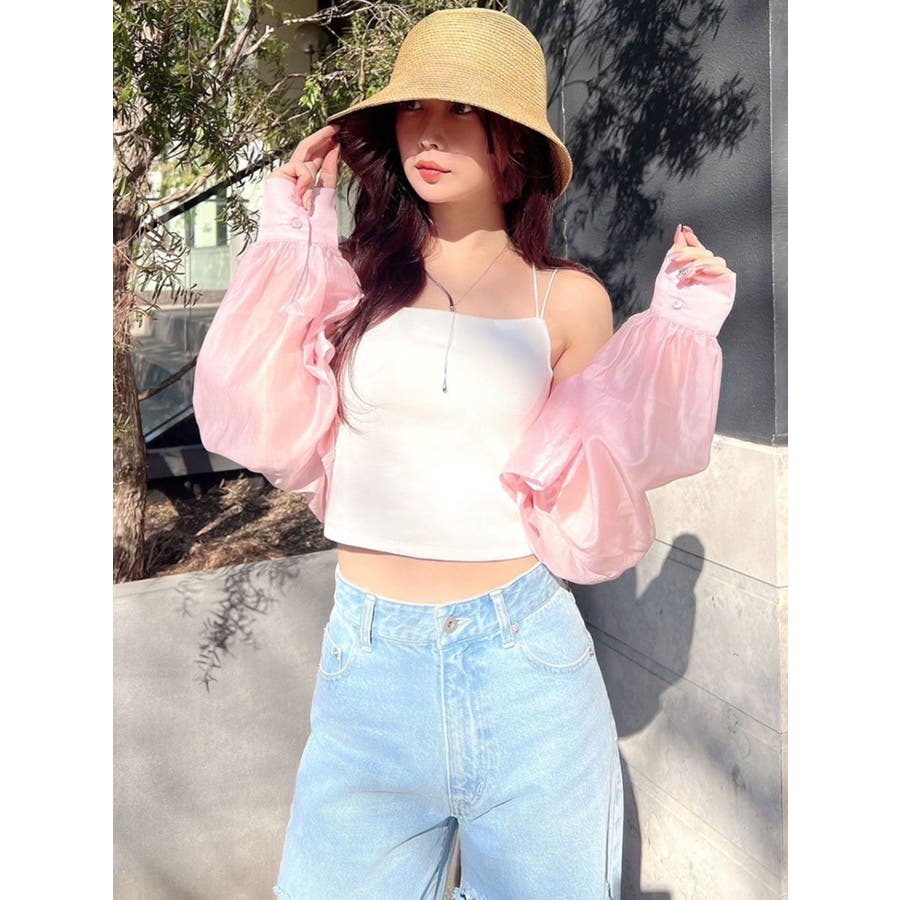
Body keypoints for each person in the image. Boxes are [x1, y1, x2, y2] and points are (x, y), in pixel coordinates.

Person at [192, 8, 736, 900]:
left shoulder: (568, 299)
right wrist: (290, 233)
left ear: (512, 141)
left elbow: (601, 474)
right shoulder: (353, 278)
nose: (429, 133)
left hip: (525, 668)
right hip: (368, 666)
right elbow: (255, 412)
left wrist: (676, 331)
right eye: (412, 109)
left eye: (462, 111)